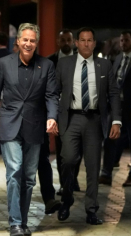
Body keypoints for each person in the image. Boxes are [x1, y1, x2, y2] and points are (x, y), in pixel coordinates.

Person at [0, 23, 59, 236]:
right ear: (17, 41)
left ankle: (24, 220)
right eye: (25, 39)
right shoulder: (4, 63)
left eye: (32, 40)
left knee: (29, 177)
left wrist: (52, 117)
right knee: (14, 171)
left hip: (35, 126)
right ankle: (15, 223)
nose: (28, 43)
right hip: (9, 125)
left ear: (36, 43)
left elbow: (51, 96)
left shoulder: (46, 65)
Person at [57, 27, 121, 225]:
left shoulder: (104, 64)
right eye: (82, 40)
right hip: (71, 119)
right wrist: (52, 117)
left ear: (94, 43)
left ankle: (91, 210)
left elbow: (113, 93)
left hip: (94, 120)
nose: (86, 44)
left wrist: (116, 120)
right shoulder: (64, 64)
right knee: (67, 160)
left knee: (93, 167)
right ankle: (66, 198)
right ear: (76, 43)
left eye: (90, 40)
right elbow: (53, 92)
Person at [99, 30, 131, 187]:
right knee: (110, 139)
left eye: (126, 40)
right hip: (117, 106)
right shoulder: (117, 59)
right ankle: (106, 174)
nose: (123, 43)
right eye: (122, 41)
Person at [47, 29, 81, 196]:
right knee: (61, 149)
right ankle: (64, 183)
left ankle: (73, 179)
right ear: (58, 42)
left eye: (69, 40)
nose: (66, 43)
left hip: (79, 110)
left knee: (78, 147)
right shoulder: (50, 62)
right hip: (60, 111)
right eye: (63, 40)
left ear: (73, 41)